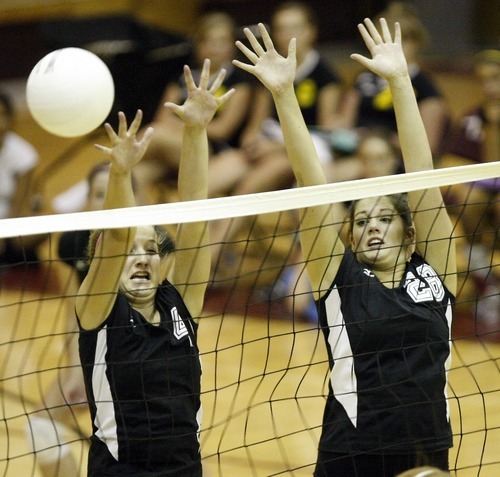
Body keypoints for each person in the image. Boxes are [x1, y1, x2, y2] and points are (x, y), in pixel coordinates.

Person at [233, 19, 457, 477]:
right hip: (354, 454)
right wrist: (283, 94)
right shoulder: (341, 278)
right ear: (349, 237)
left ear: (409, 231)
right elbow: (312, 187)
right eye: (362, 221)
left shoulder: (435, 271)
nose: (373, 227)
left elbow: (421, 173)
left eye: (384, 218)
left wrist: (399, 81)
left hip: (427, 449)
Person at [75, 60, 233, 476]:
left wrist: (196, 130)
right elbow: (115, 237)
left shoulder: (180, 301)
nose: (141, 256)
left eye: (151, 249)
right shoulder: (99, 310)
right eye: (132, 249)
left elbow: (195, 211)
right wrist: (120, 173)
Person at [209, 0, 344, 263]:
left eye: (296, 27)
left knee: (247, 189)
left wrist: (278, 146)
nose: (288, 35)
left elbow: (325, 131)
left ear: (311, 31)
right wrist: (251, 140)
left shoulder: (326, 75)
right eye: (281, 28)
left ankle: (207, 262)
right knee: (207, 180)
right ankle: (186, 254)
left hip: (303, 151)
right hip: (268, 144)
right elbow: (256, 124)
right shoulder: (268, 68)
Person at [136, 11, 253, 204]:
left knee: (155, 134)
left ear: (232, 44)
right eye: (208, 41)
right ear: (197, 44)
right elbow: (162, 116)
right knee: (137, 175)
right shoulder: (183, 76)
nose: (214, 48)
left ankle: (105, 173)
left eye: (221, 41)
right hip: (173, 149)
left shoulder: (239, 82)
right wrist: (186, 124)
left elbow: (222, 130)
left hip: (211, 152)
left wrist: (190, 123)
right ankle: (149, 231)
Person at [338, 2, 449, 158]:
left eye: (397, 43)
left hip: (395, 159)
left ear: (416, 43)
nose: (388, 50)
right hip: (356, 152)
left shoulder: (426, 87)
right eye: (382, 42)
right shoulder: (364, 77)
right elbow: (343, 124)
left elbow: (428, 147)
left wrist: (380, 140)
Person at [0, 90, 44, 265]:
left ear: (11, 119)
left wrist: (3, 231)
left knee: (41, 230)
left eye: (3, 115)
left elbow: (19, 204)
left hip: (8, 223)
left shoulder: (24, 155)